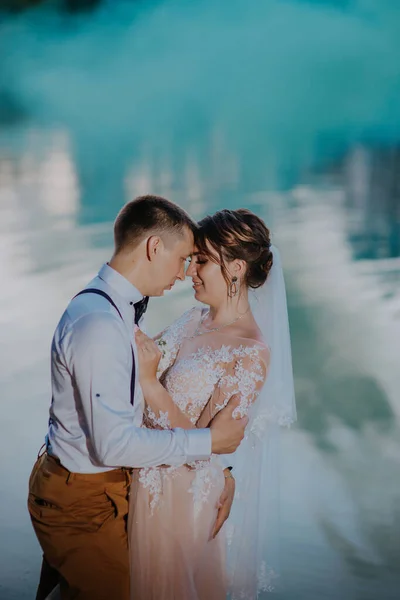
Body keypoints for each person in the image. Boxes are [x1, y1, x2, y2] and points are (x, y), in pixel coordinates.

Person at [27, 196, 248, 600]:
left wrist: (219, 469)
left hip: (109, 487)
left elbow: (146, 403)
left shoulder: (119, 310)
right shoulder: (99, 324)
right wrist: (208, 444)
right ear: (153, 248)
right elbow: (114, 443)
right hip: (83, 499)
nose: (184, 275)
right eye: (184, 258)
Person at [130, 208, 297, 599]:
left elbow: (212, 442)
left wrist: (151, 383)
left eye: (201, 261)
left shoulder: (250, 352)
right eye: (191, 260)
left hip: (180, 497)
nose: (190, 271)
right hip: (146, 472)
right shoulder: (192, 318)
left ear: (236, 269)